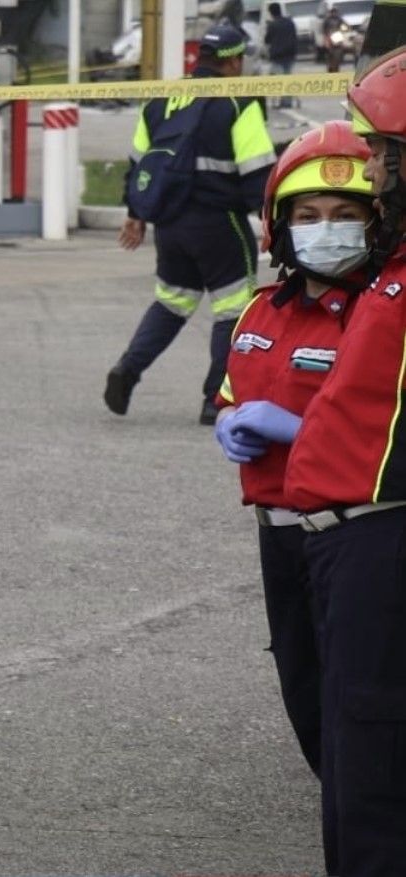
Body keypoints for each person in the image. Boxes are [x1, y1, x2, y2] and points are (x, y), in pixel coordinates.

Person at [212, 121, 373, 786]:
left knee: (362, 698)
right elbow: (232, 391)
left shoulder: (375, 315)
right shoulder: (258, 313)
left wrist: (298, 426)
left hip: (352, 536)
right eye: (307, 215)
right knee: (302, 686)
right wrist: (230, 421)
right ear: (279, 225)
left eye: (343, 215)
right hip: (277, 535)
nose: (324, 228)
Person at [281, 46, 406, 875]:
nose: (372, 167)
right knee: (353, 767)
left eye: (387, 153)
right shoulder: (389, 267)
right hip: (343, 544)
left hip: (383, 544)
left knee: (375, 784)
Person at [105, 25, 275, 425]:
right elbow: (256, 169)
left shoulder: (163, 97)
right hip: (220, 222)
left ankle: (127, 369)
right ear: (234, 61)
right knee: (233, 309)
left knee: (171, 302)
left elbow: (140, 162)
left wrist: (136, 213)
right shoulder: (237, 98)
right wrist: (275, 222)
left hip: (169, 223)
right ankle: (214, 398)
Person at [265, 2, 299, 109]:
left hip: (277, 56)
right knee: (287, 77)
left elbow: (267, 40)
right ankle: (287, 101)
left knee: (278, 79)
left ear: (271, 12)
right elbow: (294, 36)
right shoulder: (289, 22)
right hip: (289, 54)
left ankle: (281, 101)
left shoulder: (272, 25)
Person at [322, 3, 347, 72]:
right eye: (332, 12)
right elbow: (324, 31)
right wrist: (326, 41)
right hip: (330, 38)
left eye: (335, 11)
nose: (334, 13)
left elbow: (345, 28)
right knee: (330, 55)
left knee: (338, 55)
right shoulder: (327, 20)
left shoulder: (340, 20)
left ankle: (336, 68)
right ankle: (330, 68)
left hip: (338, 38)